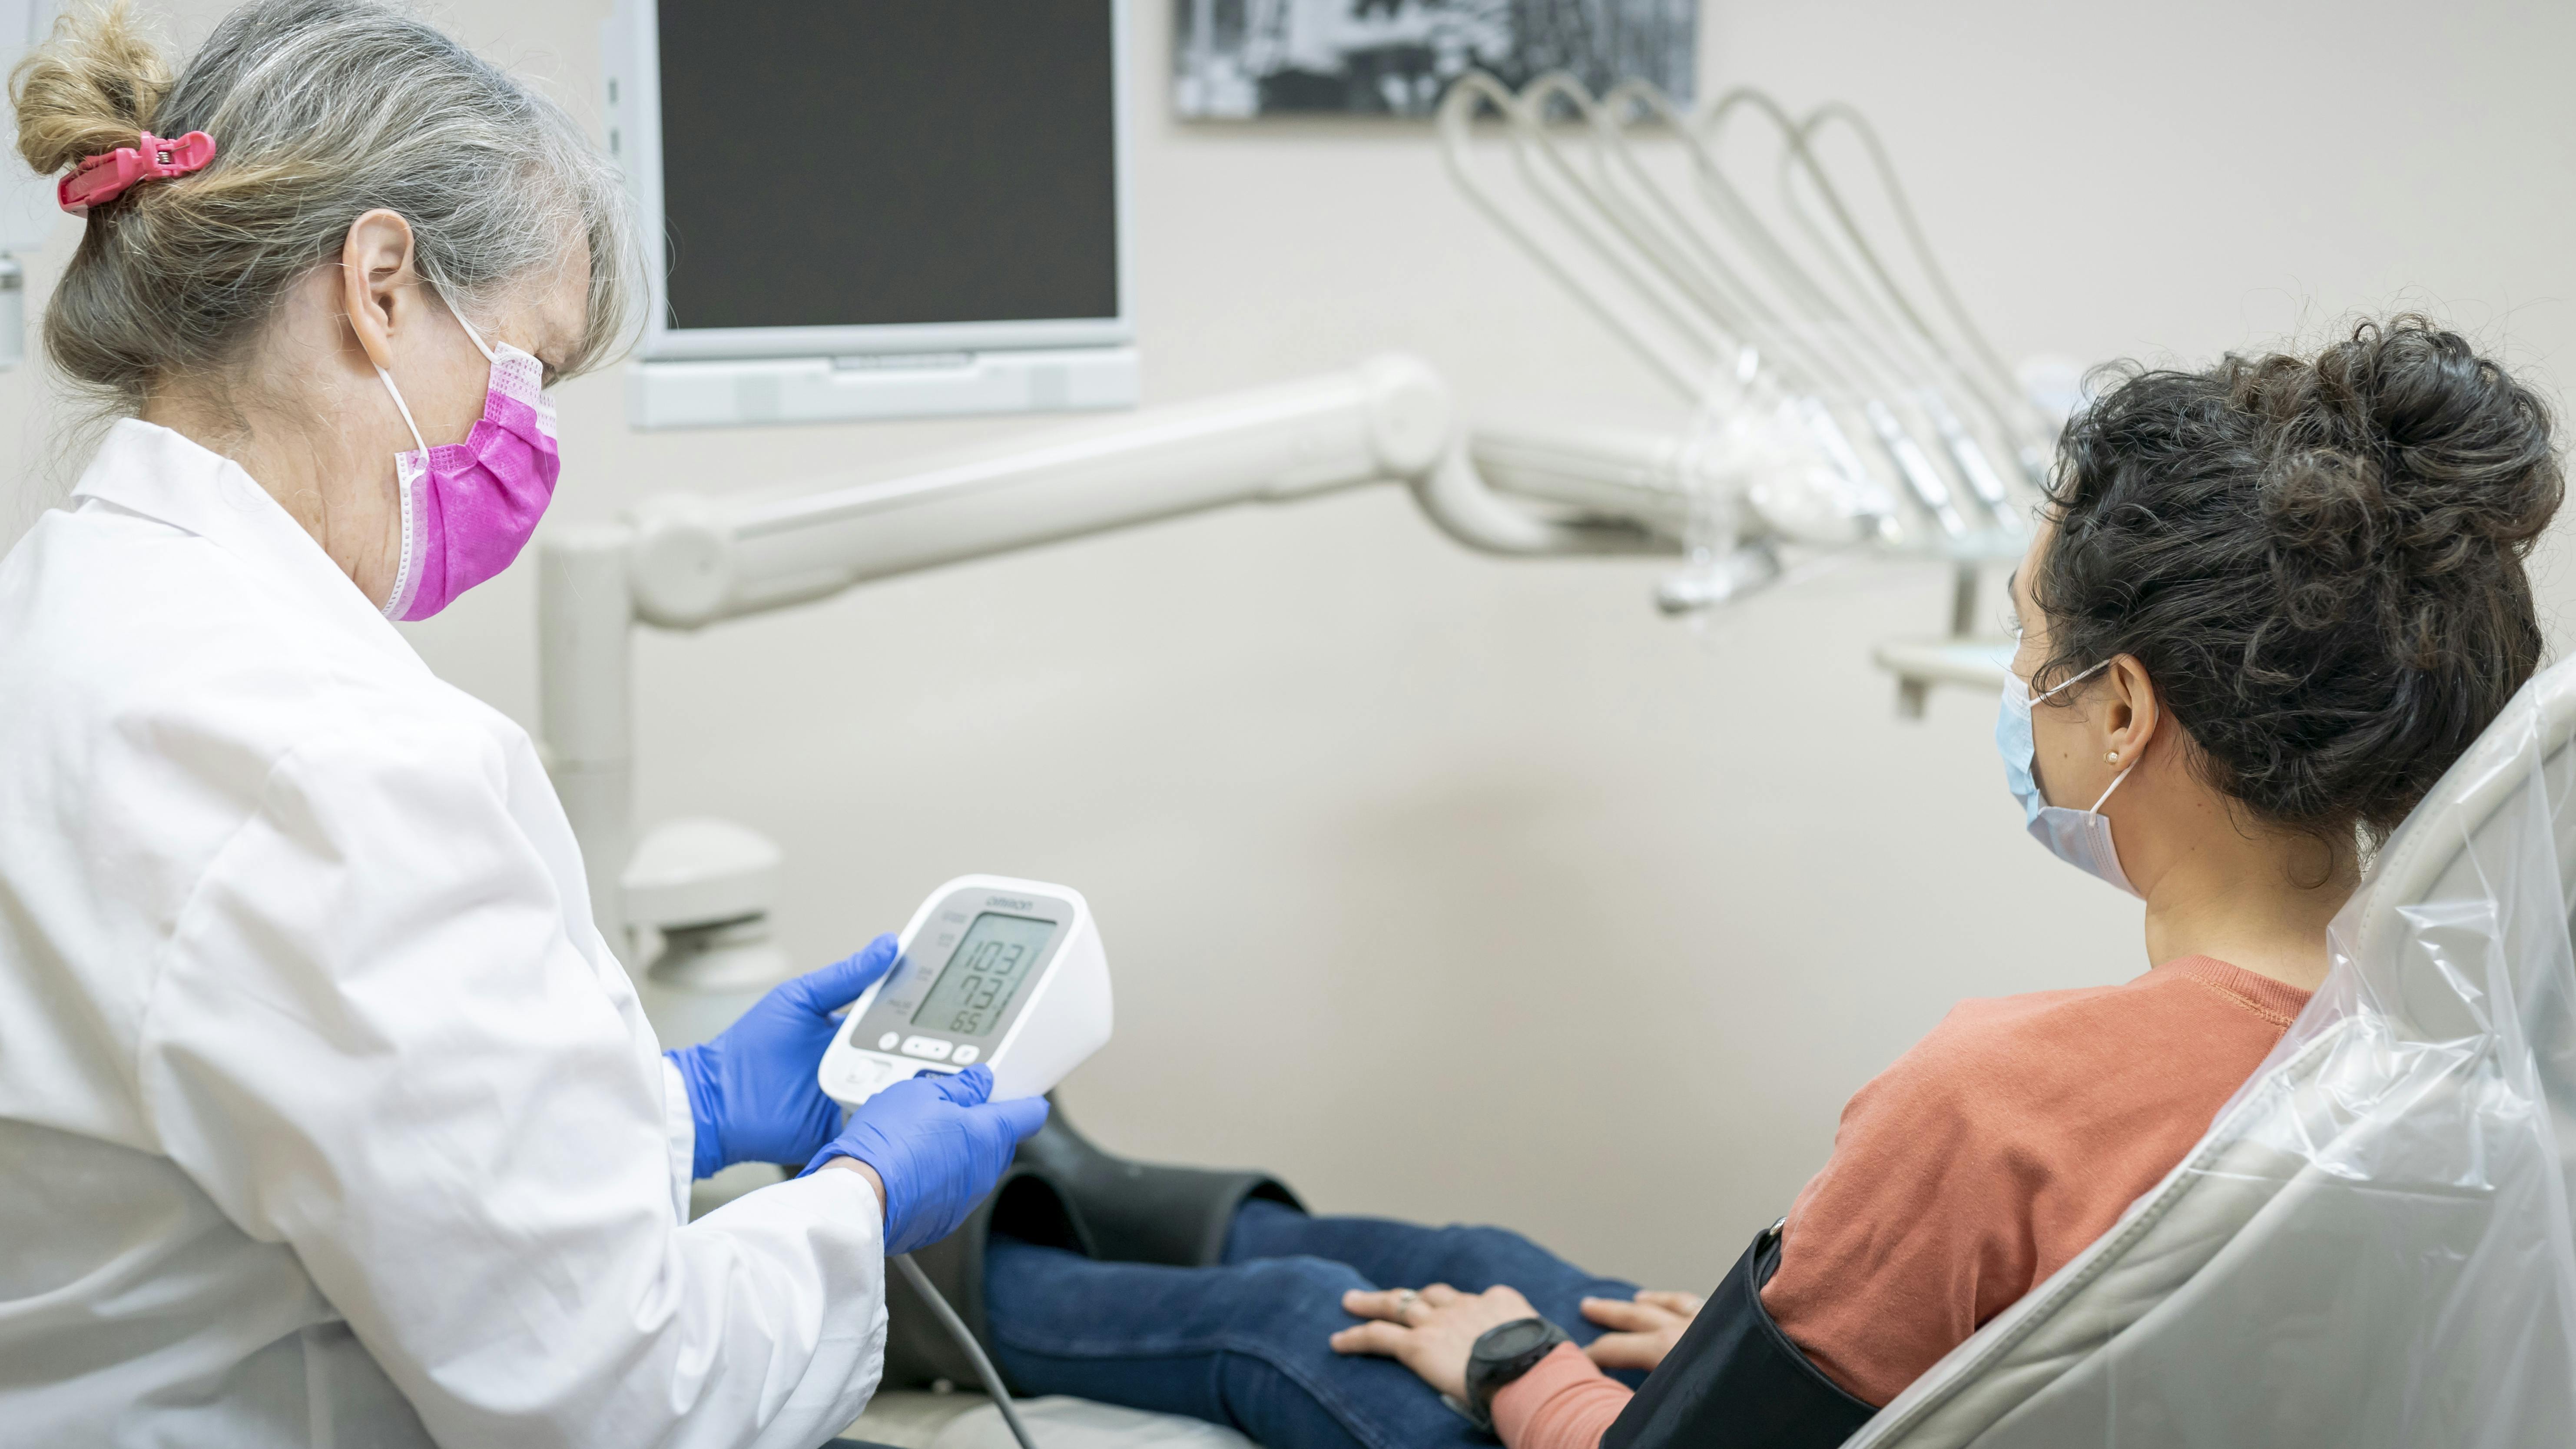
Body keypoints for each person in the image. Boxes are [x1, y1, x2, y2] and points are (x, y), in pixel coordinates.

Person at [945, 316, 2565, 1449]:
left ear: (2126, 708)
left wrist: (1510, 1365)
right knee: (1476, 1238)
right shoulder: (2440, 1059)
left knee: (1315, 1321)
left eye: (2026, 639)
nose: (2017, 681)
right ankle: (1084, 1193)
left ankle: (920, 1276)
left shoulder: (2001, 1102)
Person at [0, 3, 1045, 1445]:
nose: (532, 436)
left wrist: (672, 1108)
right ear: (377, 285)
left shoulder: (53, 614)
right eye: (532, 369)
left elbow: (287, 1135)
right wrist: (860, 1204)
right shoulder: (337, 758)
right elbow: (617, 1397)